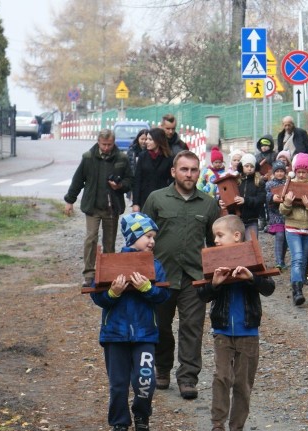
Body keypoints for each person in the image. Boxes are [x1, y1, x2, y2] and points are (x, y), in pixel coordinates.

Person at [141, 151, 222, 399]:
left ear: (199, 172)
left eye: (194, 170)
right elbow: (142, 238)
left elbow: (216, 241)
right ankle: (162, 369)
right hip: (162, 277)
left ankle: (188, 377)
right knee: (161, 326)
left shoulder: (208, 204)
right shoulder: (156, 199)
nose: (189, 174)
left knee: (192, 328)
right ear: (174, 172)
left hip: (193, 277)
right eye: (184, 169)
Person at [90, 212, 170, 431]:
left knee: (145, 380)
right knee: (118, 384)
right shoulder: (111, 263)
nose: (152, 241)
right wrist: (113, 293)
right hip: (115, 335)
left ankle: (142, 415)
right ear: (132, 237)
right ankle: (119, 423)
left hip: (145, 334)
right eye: (147, 236)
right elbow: (98, 298)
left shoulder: (155, 266)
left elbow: (163, 295)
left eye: (154, 237)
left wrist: (148, 289)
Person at [196, 215, 276, 431]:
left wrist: (252, 278)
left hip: (248, 332)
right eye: (214, 237)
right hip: (222, 331)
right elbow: (202, 294)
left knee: (243, 381)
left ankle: (237, 426)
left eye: (220, 235)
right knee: (221, 377)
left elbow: (269, 287)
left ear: (237, 236)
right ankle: (217, 425)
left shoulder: (252, 258)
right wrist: (215, 284)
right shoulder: (213, 262)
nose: (216, 240)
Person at [65, 129, 133, 287]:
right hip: (93, 206)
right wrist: (70, 200)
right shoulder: (88, 158)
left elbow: (130, 179)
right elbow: (77, 180)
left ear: (114, 142)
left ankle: (108, 273)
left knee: (109, 241)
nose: (107, 148)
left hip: (111, 206)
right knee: (91, 238)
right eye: (104, 144)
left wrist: (120, 185)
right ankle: (89, 273)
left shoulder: (121, 158)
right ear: (98, 141)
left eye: (109, 144)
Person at [278, 153, 308, 305]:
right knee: (297, 258)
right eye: (299, 172)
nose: (302, 175)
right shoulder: (289, 185)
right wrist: (288, 203)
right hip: (292, 227)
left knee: (303, 260)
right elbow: (282, 211)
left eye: (304, 172)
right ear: (295, 171)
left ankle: (297, 284)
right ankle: (297, 291)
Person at [132, 127, 174, 212]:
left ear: (158, 141)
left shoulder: (169, 158)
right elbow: (137, 181)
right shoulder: (142, 156)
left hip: (163, 201)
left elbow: (172, 181)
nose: (146, 142)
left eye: (150, 139)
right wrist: (135, 203)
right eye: (147, 139)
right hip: (144, 200)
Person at [229, 153, 267, 238]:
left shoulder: (258, 182)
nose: (249, 168)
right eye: (247, 166)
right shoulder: (236, 180)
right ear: (242, 167)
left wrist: (246, 200)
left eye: (252, 166)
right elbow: (228, 195)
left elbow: (261, 199)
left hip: (252, 220)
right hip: (236, 220)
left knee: (251, 246)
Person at [265, 161, 289, 269]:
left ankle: (282, 260)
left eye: (281, 171)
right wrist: (271, 197)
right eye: (277, 171)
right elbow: (265, 196)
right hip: (275, 214)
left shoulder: (288, 183)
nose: (279, 173)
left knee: (286, 239)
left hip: (286, 214)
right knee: (280, 236)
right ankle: (278, 261)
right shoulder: (269, 184)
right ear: (274, 173)